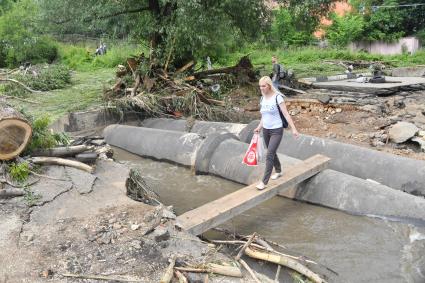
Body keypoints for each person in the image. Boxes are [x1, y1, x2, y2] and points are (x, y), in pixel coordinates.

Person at [254, 76, 299, 190]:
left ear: (269, 86)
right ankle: (278, 170)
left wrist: (293, 129)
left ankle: (264, 182)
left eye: (263, 86)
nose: (261, 88)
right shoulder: (262, 98)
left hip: (276, 130)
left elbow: (286, 114)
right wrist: (259, 127)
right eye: (260, 86)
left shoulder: (277, 97)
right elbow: (264, 116)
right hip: (266, 130)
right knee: (271, 152)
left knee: (269, 154)